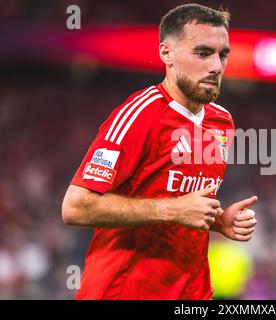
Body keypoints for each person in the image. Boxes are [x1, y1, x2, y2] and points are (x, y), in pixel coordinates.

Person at [61, 3, 258, 300]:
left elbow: (184, 203)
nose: (216, 66)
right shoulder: (141, 114)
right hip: (124, 291)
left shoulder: (221, 121)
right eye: (203, 53)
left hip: (191, 293)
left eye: (223, 55)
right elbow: (75, 207)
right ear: (166, 54)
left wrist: (217, 221)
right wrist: (174, 209)